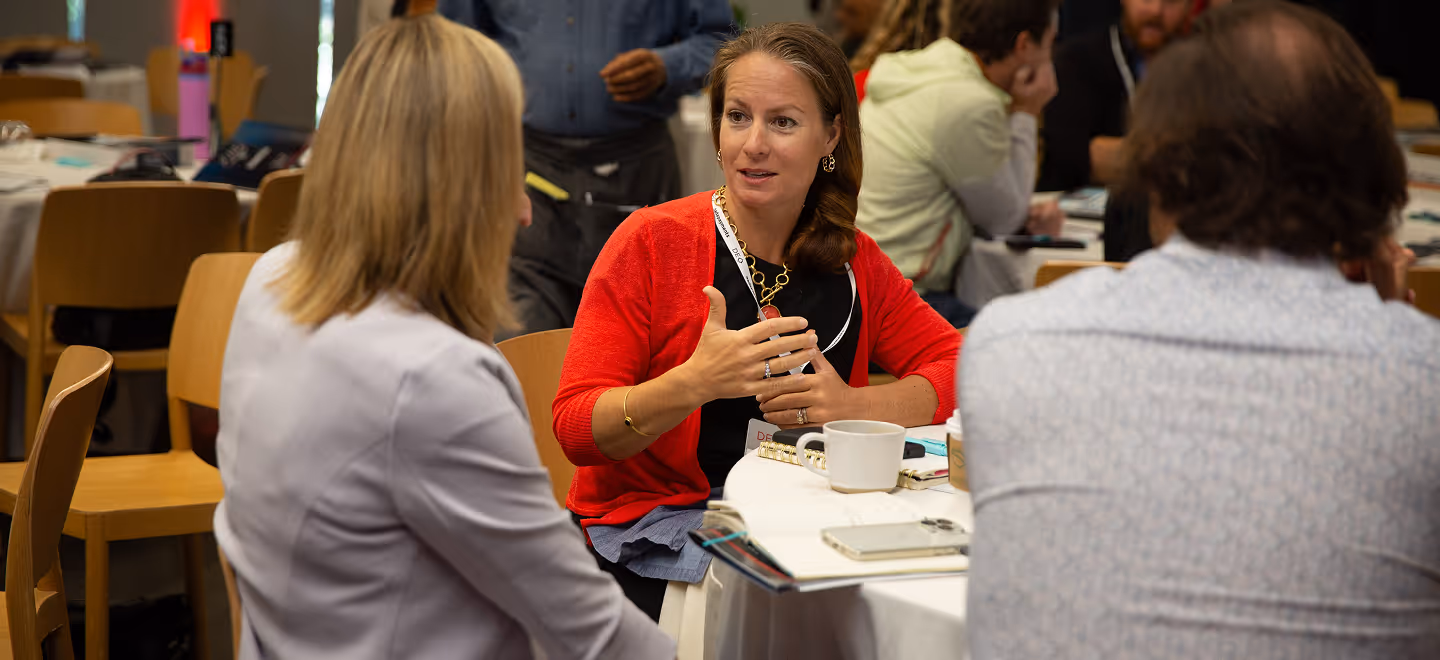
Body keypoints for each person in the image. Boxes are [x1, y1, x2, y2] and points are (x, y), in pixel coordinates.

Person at [962, 2, 1440, 658]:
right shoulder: (1419, 378)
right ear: (1373, 181)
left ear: (1157, 168)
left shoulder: (1008, 345)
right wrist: (1392, 327)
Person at [213, 8, 673, 659]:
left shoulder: (270, 281)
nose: (523, 210)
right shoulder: (432, 379)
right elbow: (595, 635)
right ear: (457, 190)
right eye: (508, 167)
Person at [553, 22, 963, 619]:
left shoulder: (854, 263)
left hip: (810, 518)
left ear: (831, 136)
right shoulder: (652, 244)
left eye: (784, 122)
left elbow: (958, 367)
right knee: (803, 613)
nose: (754, 144)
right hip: (664, 529)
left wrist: (848, 407)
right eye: (738, 116)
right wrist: (692, 383)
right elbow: (575, 428)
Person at [438, 0, 731, 339]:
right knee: (522, 342)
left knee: (632, 342)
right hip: (528, 168)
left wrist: (668, 67)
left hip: (636, 170)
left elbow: (720, 44)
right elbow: (455, 44)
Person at [851, 0, 1066, 326]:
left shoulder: (918, 70)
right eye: (1049, 44)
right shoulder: (968, 102)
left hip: (862, 284)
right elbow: (1005, 219)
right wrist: (1026, 111)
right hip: (901, 295)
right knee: (1026, 335)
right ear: (1023, 45)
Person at [1037, 0, 1194, 192]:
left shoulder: (1204, 68)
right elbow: (1075, 158)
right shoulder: (1076, 62)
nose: (1156, 10)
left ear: (1191, 6)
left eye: (1172, 1)